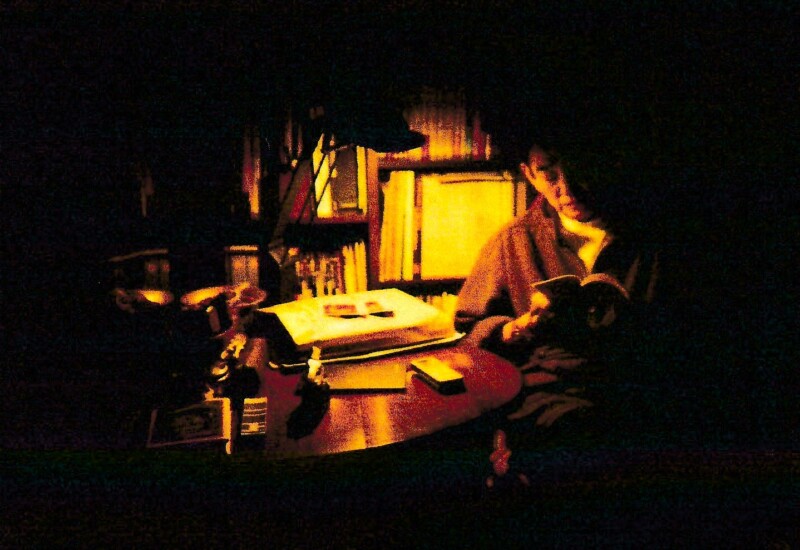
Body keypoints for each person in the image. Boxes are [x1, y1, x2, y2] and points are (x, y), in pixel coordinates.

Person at [455, 135, 662, 453]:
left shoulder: (648, 237)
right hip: (550, 390)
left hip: (634, 382)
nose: (568, 189)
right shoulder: (515, 240)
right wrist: (513, 329)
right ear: (529, 175)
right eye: (549, 174)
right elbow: (468, 328)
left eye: (579, 169)